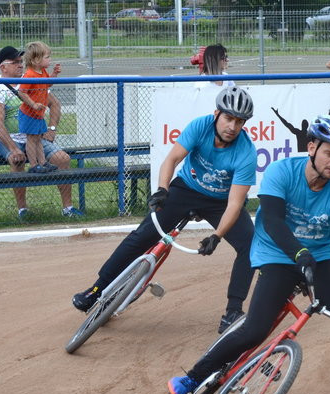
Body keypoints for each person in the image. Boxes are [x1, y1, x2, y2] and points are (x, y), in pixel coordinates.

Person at [167, 115, 330, 394]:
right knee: (254, 330)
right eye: (329, 153)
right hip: (276, 254)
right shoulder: (281, 172)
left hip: (318, 258)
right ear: (311, 147)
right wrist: (299, 254)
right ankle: (191, 378)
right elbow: (272, 221)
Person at [73, 86, 258, 334]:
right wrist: (162, 189)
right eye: (228, 118)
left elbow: (235, 203)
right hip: (187, 189)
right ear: (216, 113)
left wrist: (217, 236)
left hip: (221, 202)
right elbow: (171, 160)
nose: (232, 126)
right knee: (143, 235)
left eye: (239, 121)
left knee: (250, 246)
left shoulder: (246, 152)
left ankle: (233, 311)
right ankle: (97, 290)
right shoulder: (200, 126)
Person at [0, 45, 82, 220]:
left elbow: (55, 104)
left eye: (21, 61)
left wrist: (51, 129)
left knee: (63, 159)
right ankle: (23, 210)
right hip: (7, 140)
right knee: (17, 160)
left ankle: (68, 208)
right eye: (15, 62)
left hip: (34, 136)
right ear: (3, 67)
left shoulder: (31, 78)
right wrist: (13, 149)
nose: (20, 65)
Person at [17, 40, 60, 174]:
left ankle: (42, 162)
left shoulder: (43, 72)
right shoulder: (29, 74)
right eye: (47, 57)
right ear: (36, 60)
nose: (50, 60)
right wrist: (33, 104)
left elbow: (48, 84)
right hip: (29, 113)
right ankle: (34, 165)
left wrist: (54, 74)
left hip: (39, 114)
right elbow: (21, 92)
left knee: (38, 139)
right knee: (31, 139)